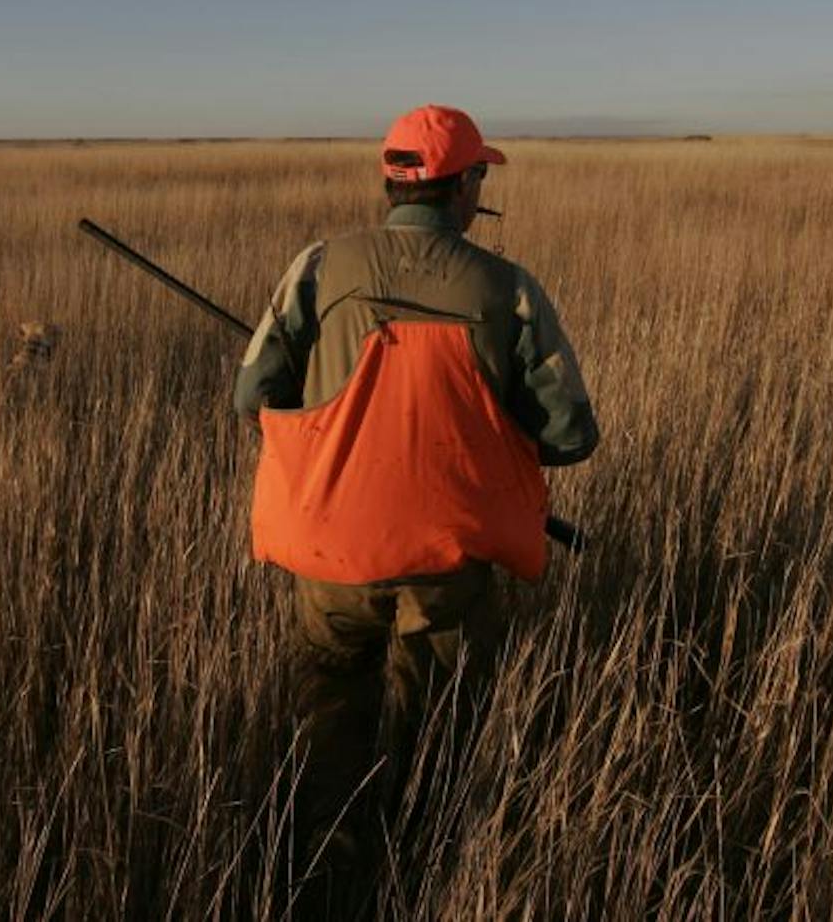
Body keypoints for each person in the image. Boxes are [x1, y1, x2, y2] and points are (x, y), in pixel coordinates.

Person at [233, 104, 600, 884]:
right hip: (446, 562)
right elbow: (571, 435)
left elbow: (252, 395)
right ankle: (419, 872)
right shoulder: (509, 288)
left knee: (332, 717)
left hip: (332, 557)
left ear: (392, 181)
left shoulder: (317, 266)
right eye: (479, 176)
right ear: (462, 185)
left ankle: (327, 875)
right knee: (433, 729)